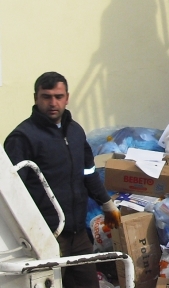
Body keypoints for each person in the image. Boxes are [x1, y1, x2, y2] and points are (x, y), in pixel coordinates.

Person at [4, 72, 121, 288]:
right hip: (45, 237)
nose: (52, 103)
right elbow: (12, 194)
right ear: (35, 98)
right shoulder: (22, 138)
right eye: (46, 97)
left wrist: (107, 203)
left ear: (67, 97)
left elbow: (89, 172)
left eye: (58, 96)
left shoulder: (75, 132)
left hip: (77, 234)